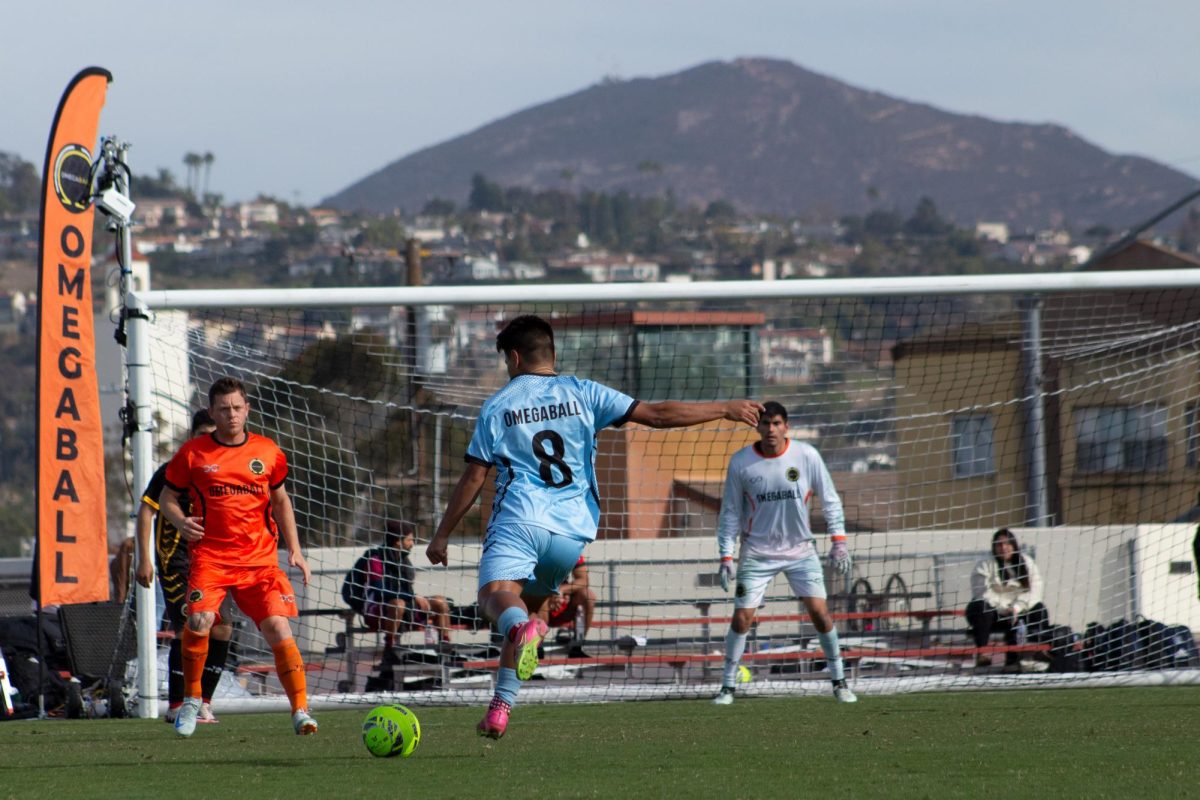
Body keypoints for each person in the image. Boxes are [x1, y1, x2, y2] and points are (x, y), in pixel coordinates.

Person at [426, 314, 762, 739]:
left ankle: (518, 632)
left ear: (513, 358)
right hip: (571, 535)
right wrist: (725, 408)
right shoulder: (584, 392)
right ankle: (500, 708)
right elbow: (657, 415)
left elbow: (475, 476)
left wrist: (441, 534)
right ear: (551, 353)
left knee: (495, 599)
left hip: (521, 518)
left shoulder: (499, 405)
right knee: (526, 609)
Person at [158, 377, 318, 737]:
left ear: (247, 410)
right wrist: (181, 521)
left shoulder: (268, 451)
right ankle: (193, 702)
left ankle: (301, 711)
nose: (231, 414)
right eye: (223, 408)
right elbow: (167, 498)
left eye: (236, 407)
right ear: (212, 412)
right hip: (211, 558)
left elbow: (280, 501)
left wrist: (295, 549)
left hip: (258, 560)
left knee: (278, 627)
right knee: (199, 621)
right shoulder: (193, 454)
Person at [711, 401, 857, 706]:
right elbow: (730, 513)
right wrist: (726, 556)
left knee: (819, 613)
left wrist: (839, 541)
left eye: (777, 423)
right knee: (742, 618)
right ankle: (727, 686)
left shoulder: (807, 455)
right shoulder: (741, 463)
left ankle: (840, 681)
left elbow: (830, 500)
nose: (771, 429)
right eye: (765, 424)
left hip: (801, 550)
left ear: (786, 426)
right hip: (757, 552)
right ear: (757, 427)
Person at [135, 409, 234, 724]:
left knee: (222, 628)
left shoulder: (222, 472)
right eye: (202, 435)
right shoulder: (173, 469)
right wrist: (144, 558)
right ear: (192, 436)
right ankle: (177, 705)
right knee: (189, 626)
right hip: (176, 560)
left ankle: (204, 701)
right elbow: (146, 512)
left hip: (213, 562)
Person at [342, 519, 453, 660]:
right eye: (409, 540)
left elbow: (407, 592)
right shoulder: (375, 560)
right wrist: (412, 597)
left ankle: (445, 647)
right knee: (398, 604)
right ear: (398, 541)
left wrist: (412, 598)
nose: (412, 544)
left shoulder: (404, 562)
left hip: (405, 607)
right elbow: (379, 591)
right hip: (377, 611)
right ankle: (389, 649)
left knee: (440, 602)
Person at [966, 527, 1050, 673]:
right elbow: (983, 592)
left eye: (1007, 544)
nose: (1003, 548)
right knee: (980, 607)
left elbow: (1034, 591)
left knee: (1040, 609)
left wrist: (1016, 608)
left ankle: (1035, 651)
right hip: (994, 613)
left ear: (1014, 545)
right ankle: (983, 653)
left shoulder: (1027, 563)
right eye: (999, 544)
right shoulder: (985, 564)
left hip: (1019, 610)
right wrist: (1004, 608)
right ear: (994, 547)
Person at [540, 556, 595, 658]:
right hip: (538, 605)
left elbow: (583, 580)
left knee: (588, 596)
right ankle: (536, 649)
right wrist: (550, 592)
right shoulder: (536, 546)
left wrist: (562, 590)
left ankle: (577, 646)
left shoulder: (572, 546)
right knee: (539, 596)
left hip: (563, 605)